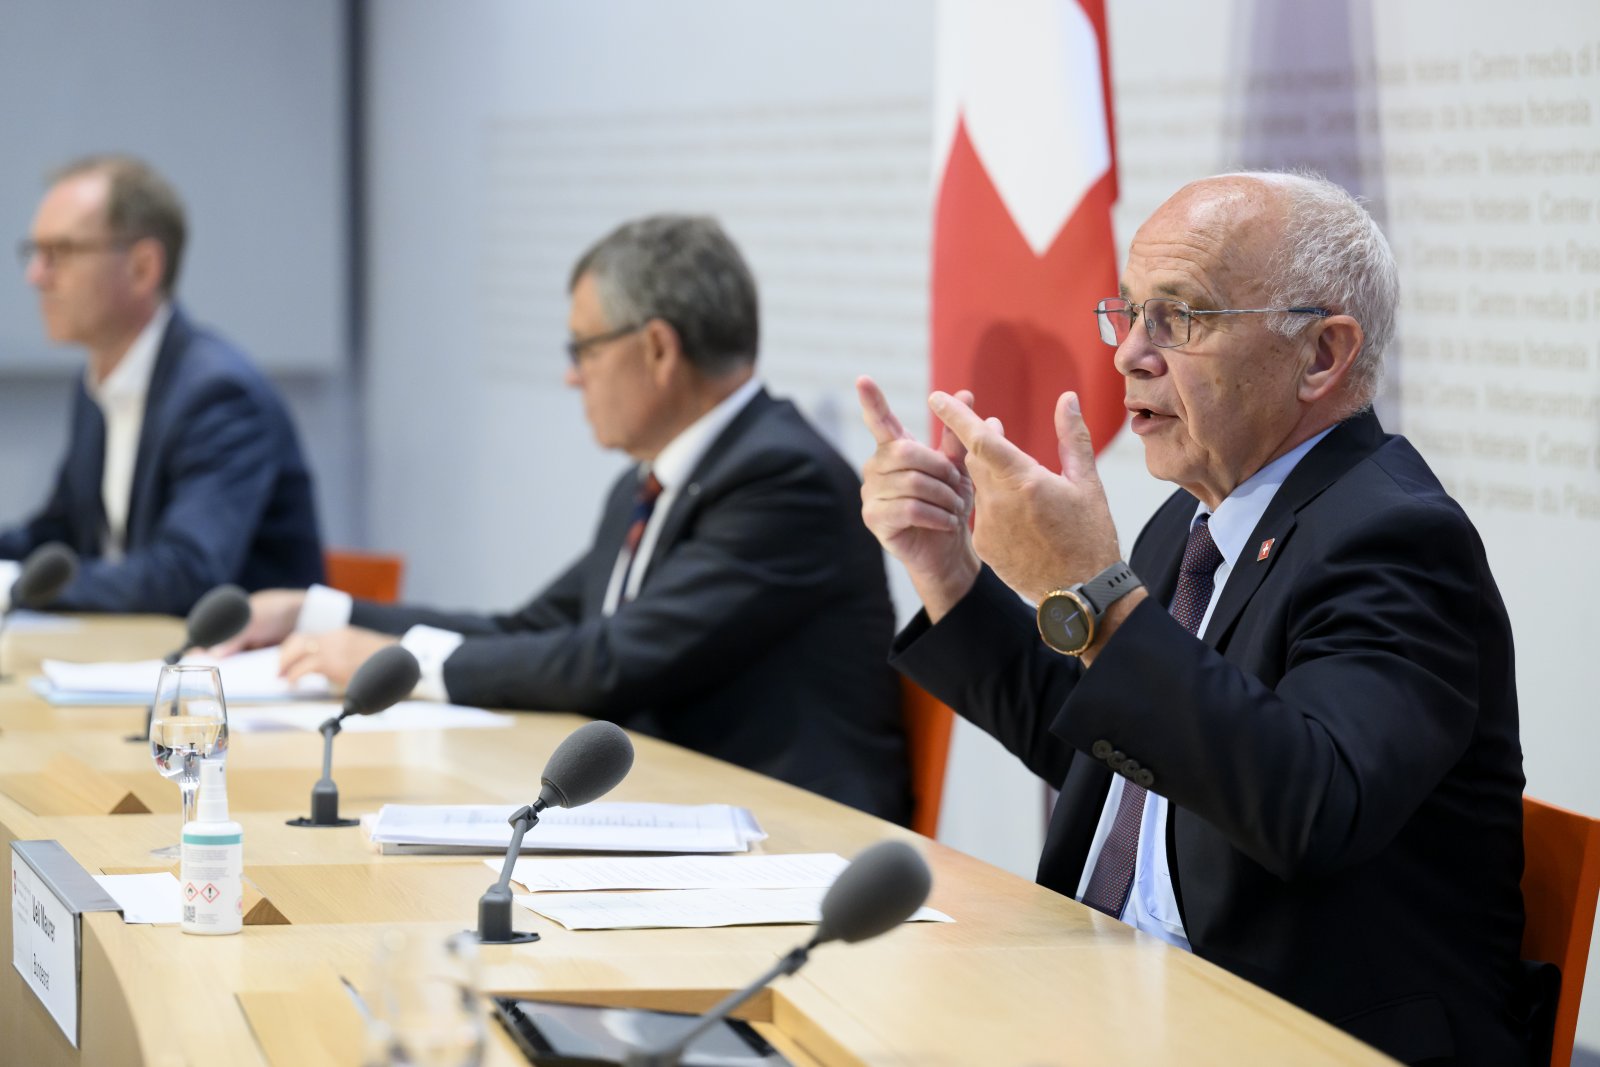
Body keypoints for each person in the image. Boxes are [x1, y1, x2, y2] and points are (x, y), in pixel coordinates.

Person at [858, 172, 1528, 1063]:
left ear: (1321, 355)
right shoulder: (1194, 517)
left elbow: (1311, 804)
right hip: (1118, 994)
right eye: (1128, 313)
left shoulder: (1398, 538)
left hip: (1293, 1029)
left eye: (1179, 319)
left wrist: (1093, 591)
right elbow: (1105, 746)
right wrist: (947, 571)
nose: (1129, 354)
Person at [223, 214, 910, 823]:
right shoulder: (652, 483)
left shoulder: (782, 481)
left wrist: (400, 663)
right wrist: (320, 614)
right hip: (679, 813)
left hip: (796, 835)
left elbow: (610, 663)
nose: (572, 376)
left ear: (658, 350)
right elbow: (533, 629)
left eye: (584, 349)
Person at [0, 155, 323, 614]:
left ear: (143, 267)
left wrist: (15, 588)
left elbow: (185, 575)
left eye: (61, 252)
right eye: (34, 254)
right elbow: (60, 536)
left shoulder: (219, 394)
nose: (37, 276)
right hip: (134, 660)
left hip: (232, 676)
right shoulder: (96, 386)